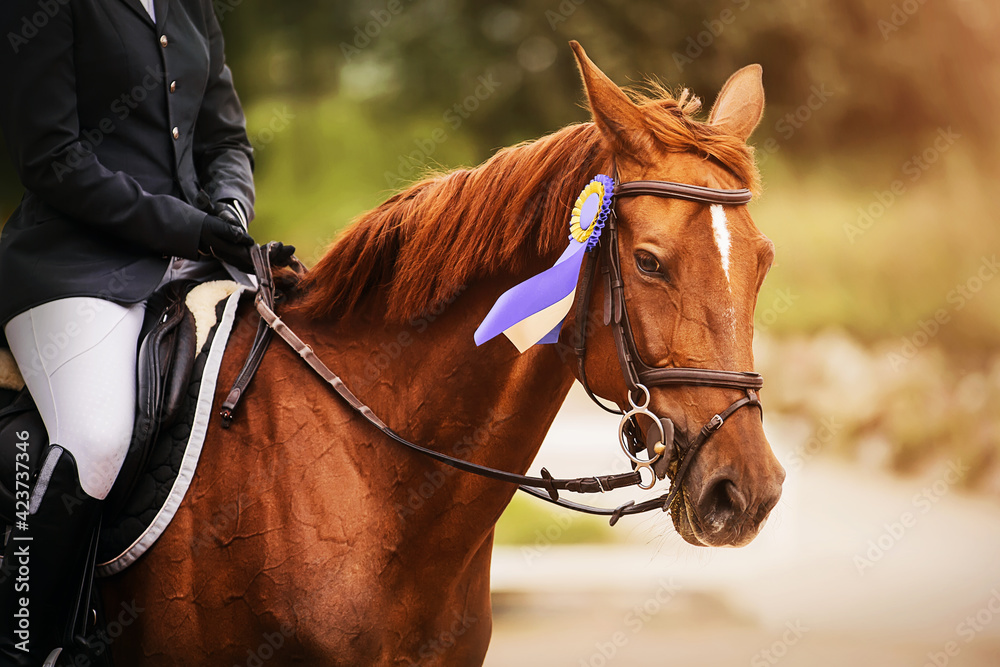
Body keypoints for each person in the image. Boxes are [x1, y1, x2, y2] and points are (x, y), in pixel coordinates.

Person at [0, 0, 259, 663]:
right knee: (96, 436)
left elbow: (225, 139)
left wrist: (230, 207)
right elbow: (50, 157)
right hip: (77, 265)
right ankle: (20, 641)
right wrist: (189, 226)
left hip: (198, 259)